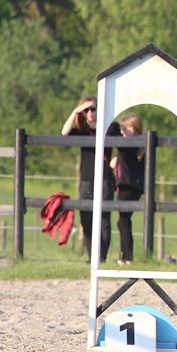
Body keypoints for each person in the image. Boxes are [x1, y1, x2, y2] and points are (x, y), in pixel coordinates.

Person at [61, 96, 121, 262]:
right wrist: (75, 111)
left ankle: (101, 257)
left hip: (105, 178)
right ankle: (92, 256)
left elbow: (125, 142)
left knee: (104, 218)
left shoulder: (110, 127)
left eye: (93, 108)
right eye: (86, 110)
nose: (90, 113)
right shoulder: (81, 129)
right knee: (86, 218)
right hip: (86, 179)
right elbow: (64, 133)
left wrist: (117, 160)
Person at [111, 114, 146, 266]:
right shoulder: (135, 146)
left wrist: (118, 126)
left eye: (128, 128)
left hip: (128, 186)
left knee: (123, 220)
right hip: (132, 186)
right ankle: (126, 255)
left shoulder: (131, 145)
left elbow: (113, 131)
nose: (123, 132)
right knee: (123, 220)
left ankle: (126, 256)